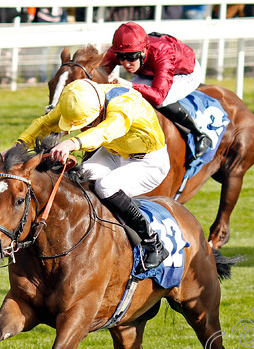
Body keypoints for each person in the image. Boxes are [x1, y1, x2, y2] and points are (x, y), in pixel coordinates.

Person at [15, 79, 170, 270]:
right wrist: (18, 147)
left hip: (149, 162)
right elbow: (44, 123)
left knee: (105, 186)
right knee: (78, 182)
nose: (83, 129)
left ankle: (153, 242)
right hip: (114, 153)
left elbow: (105, 132)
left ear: (99, 108)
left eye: (87, 124)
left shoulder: (125, 103)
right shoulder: (79, 98)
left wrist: (71, 143)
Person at [100, 22, 212, 158]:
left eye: (131, 57)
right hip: (150, 72)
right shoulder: (121, 49)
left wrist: (129, 85)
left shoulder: (162, 52)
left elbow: (158, 96)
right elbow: (99, 73)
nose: (125, 63)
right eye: (120, 57)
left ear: (143, 51)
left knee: (159, 102)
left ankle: (199, 135)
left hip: (183, 73)